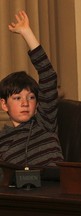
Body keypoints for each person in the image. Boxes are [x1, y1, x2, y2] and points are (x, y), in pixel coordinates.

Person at [0, 10, 63, 167]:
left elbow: (48, 76)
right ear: (3, 104)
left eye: (31, 97)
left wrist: (26, 33)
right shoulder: (2, 140)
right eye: (17, 98)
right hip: (16, 191)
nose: (25, 103)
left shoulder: (44, 122)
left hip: (53, 189)